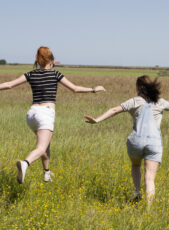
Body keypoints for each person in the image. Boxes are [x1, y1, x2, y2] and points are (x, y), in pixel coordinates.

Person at [84, 75, 169, 207]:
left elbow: (114, 110)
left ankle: (137, 192)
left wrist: (96, 120)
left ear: (138, 88)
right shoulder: (159, 101)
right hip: (154, 143)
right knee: (150, 177)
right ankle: (148, 209)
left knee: (136, 166)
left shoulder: (135, 101)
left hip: (136, 141)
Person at [0, 46, 106, 184]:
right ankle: (25, 163)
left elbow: (8, 85)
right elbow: (75, 89)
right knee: (41, 148)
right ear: (51, 60)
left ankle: (47, 173)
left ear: (38, 61)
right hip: (45, 113)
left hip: (31, 114)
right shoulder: (56, 74)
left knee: (46, 144)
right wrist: (93, 89)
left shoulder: (30, 74)